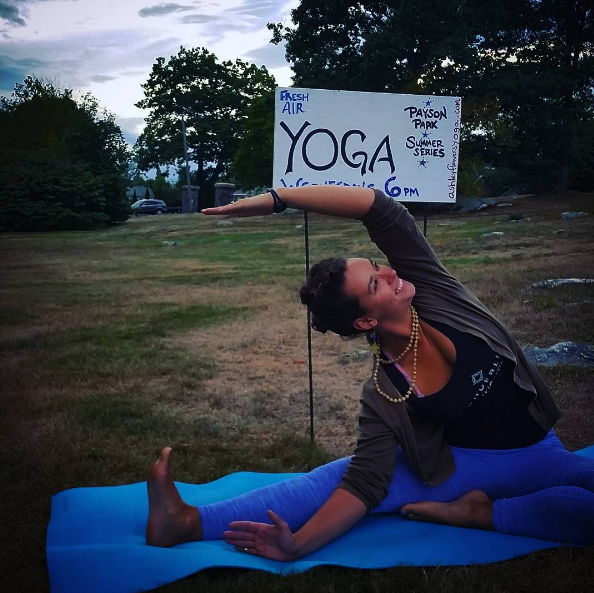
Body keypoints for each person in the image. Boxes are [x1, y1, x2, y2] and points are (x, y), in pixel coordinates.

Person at [146, 186, 594, 559]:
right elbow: (364, 481)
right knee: (336, 477)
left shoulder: (433, 291)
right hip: (463, 467)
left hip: (542, 451)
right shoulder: (386, 391)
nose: (392, 272)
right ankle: (185, 522)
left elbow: (380, 209)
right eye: (377, 282)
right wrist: (297, 545)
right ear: (365, 321)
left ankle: (482, 514)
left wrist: (278, 199)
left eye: (377, 266)